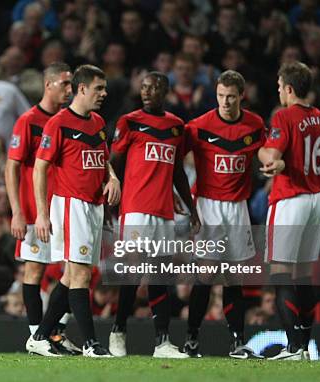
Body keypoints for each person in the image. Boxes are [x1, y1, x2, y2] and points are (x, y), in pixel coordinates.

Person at [26, 65, 120, 357]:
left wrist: (113, 177)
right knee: (80, 276)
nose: (104, 94)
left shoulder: (98, 122)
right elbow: (40, 167)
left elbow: (102, 159)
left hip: (94, 206)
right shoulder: (58, 123)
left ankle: (40, 336)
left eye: (104, 88)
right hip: (70, 204)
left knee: (71, 277)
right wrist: (42, 213)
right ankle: (92, 343)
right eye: (98, 88)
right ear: (81, 89)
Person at [107, 71, 199, 358]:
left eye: (154, 87)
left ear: (165, 91)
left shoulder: (176, 127)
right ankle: (118, 330)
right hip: (135, 208)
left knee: (160, 274)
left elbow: (178, 172)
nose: (147, 91)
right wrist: (112, 200)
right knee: (133, 272)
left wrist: (192, 207)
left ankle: (162, 342)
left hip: (164, 211)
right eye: (144, 86)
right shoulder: (129, 121)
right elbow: (113, 163)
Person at [258, 61, 320, 360]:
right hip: (315, 201)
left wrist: (271, 158)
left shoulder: (284, 116)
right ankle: (304, 346)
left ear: (290, 89)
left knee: (280, 273)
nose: (279, 91)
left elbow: (275, 155)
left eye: (280, 87)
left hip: (290, 199)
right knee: (304, 275)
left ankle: (293, 347)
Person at [182, 70, 268, 359]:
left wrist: (273, 163)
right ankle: (192, 337)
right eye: (220, 96)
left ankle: (237, 341)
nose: (225, 102)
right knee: (205, 274)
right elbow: (176, 156)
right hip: (208, 205)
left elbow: (265, 152)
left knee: (234, 277)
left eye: (231, 97)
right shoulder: (199, 126)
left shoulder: (254, 124)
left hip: (238, 206)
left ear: (241, 95)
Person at [5, 62, 81, 354]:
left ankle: (55, 334)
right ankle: (36, 336)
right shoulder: (28, 120)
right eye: (65, 84)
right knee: (34, 271)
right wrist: (18, 212)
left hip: (65, 207)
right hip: (34, 210)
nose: (70, 90)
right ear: (48, 84)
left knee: (73, 271)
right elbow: (12, 167)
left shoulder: (68, 120)